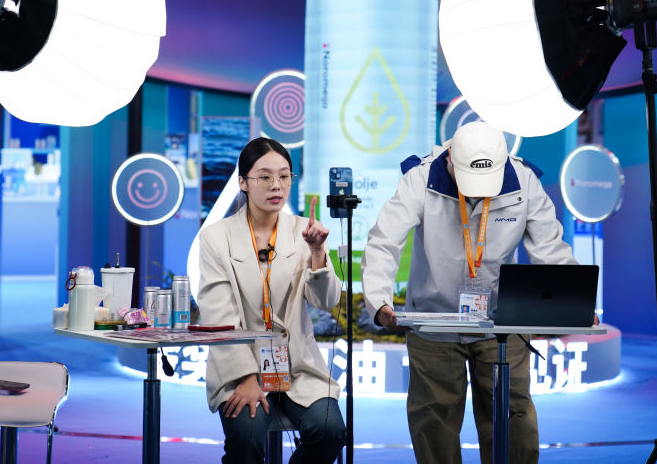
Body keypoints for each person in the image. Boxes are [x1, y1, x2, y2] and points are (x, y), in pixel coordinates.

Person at [362, 120, 590, 464]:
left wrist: (575, 304)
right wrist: (379, 302)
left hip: (501, 323)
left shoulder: (524, 181)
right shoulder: (420, 178)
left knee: (514, 418)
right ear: (450, 159)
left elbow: (550, 249)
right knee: (433, 422)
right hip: (434, 320)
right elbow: (384, 241)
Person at [197, 137, 346, 464]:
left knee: (330, 430)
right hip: (241, 367)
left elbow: (327, 300)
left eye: (284, 176)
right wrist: (246, 377)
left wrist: (317, 253)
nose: (276, 185)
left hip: (299, 369)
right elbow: (219, 318)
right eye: (264, 177)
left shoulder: (305, 231)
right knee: (246, 436)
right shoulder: (216, 238)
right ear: (243, 182)